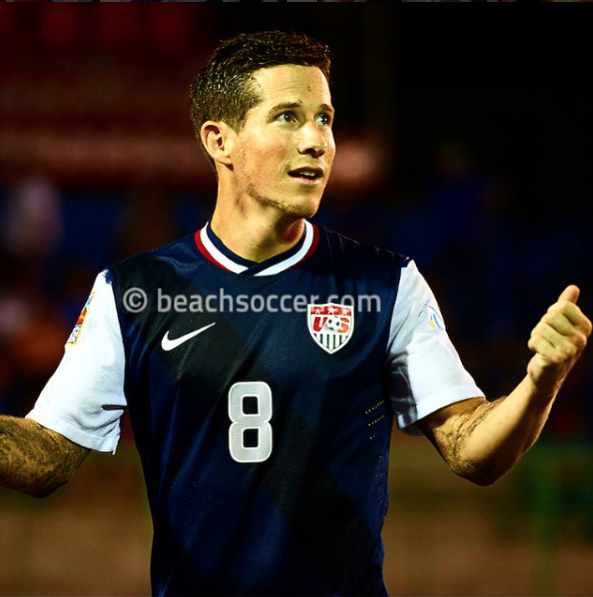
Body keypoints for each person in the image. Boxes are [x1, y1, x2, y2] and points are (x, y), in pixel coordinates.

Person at [0, 30, 590, 597]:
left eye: (325, 119)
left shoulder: (386, 285)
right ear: (219, 141)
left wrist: (540, 383)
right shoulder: (135, 293)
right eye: (288, 117)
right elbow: (47, 454)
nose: (317, 141)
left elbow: (470, 447)